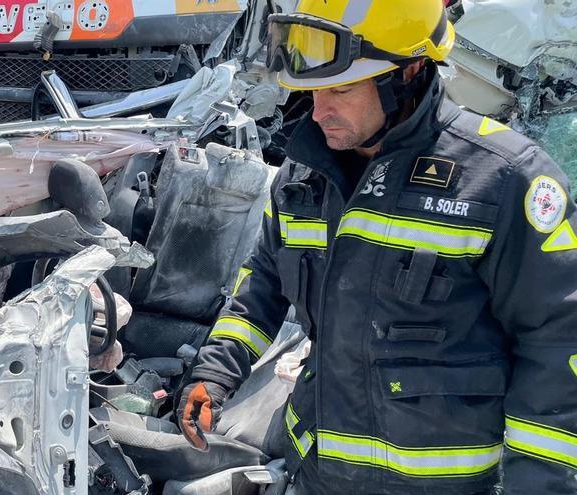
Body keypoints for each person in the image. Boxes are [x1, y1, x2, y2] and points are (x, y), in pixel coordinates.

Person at [176, 0, 577, 493]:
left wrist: (540, 483)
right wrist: (216, 372)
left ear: (406, 73)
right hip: (317, 474)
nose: (319, 112)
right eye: (313, 91)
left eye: (341, 89)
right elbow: (262, 283)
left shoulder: (502, 177)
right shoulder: (305, 174)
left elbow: (560, 341)